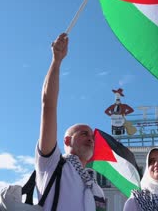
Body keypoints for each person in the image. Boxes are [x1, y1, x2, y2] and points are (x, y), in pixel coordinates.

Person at [35, 33, 105, 211]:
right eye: (84, 134)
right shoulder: (52, 163)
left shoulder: (98, 189)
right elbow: (48, 105)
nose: (91, 138)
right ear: (67, 140)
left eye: (91, 136)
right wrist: (56, 61)